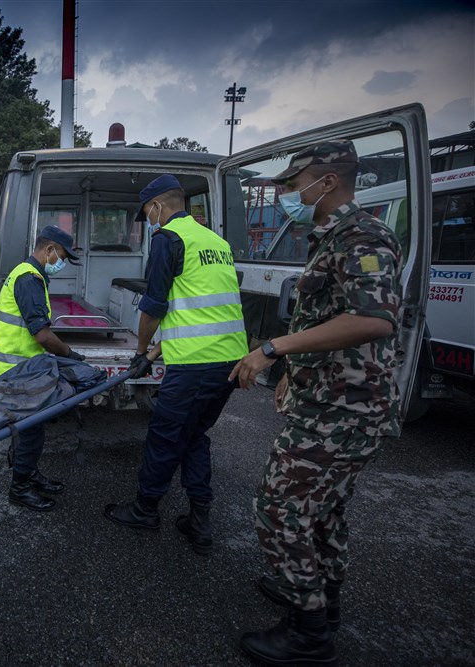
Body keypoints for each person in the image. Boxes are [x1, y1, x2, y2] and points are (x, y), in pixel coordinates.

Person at [228, 141, 402, 667]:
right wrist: (292, 372)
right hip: (326, 397)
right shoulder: (330, 237)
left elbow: (372, 319)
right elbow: (323, 320)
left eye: (293, 183)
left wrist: (272, 349)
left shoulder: (363, 237)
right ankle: (322, 603)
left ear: (327, 182)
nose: (288, 192)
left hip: (345, 408)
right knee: (322, 510)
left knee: (278, 506)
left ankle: (308, 631)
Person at [103, 174, 247, 555]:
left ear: (157, 207)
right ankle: (200, 522)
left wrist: (140, 351)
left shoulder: (169, 239)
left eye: (147, 213)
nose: (149, 221)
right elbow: (198, 314)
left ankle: (145, 509)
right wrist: (153, 357)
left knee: (165, 437)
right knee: (194, 436)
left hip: (194, 368)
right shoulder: (215, 242)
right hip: (228, 364)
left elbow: (154, 307)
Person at [0, 225, 85, 512]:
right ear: (49, 249)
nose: (62, 263)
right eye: (62, 256)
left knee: (32, 428)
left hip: (21, 367)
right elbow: (41, 334)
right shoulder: (29, 279)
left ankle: (29, 473)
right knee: (30, 431)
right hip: (14, 370)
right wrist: (69, 354)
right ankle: (19, 488)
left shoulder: (28, 273)